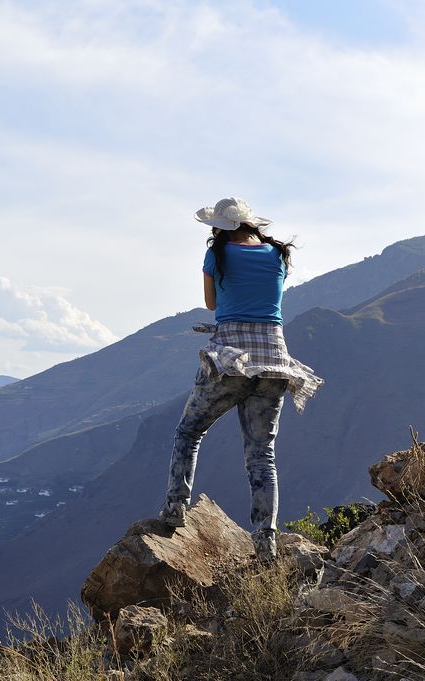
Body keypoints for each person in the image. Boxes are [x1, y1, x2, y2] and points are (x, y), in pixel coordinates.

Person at [159, 197, 323, 563]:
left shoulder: (217, 254)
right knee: (262, 454)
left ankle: (174, 509)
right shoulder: (278, 255)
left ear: (222, 227)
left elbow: (212, 304)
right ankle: (266, 542)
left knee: (189, 431)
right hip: (274, 359)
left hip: (230, 357)